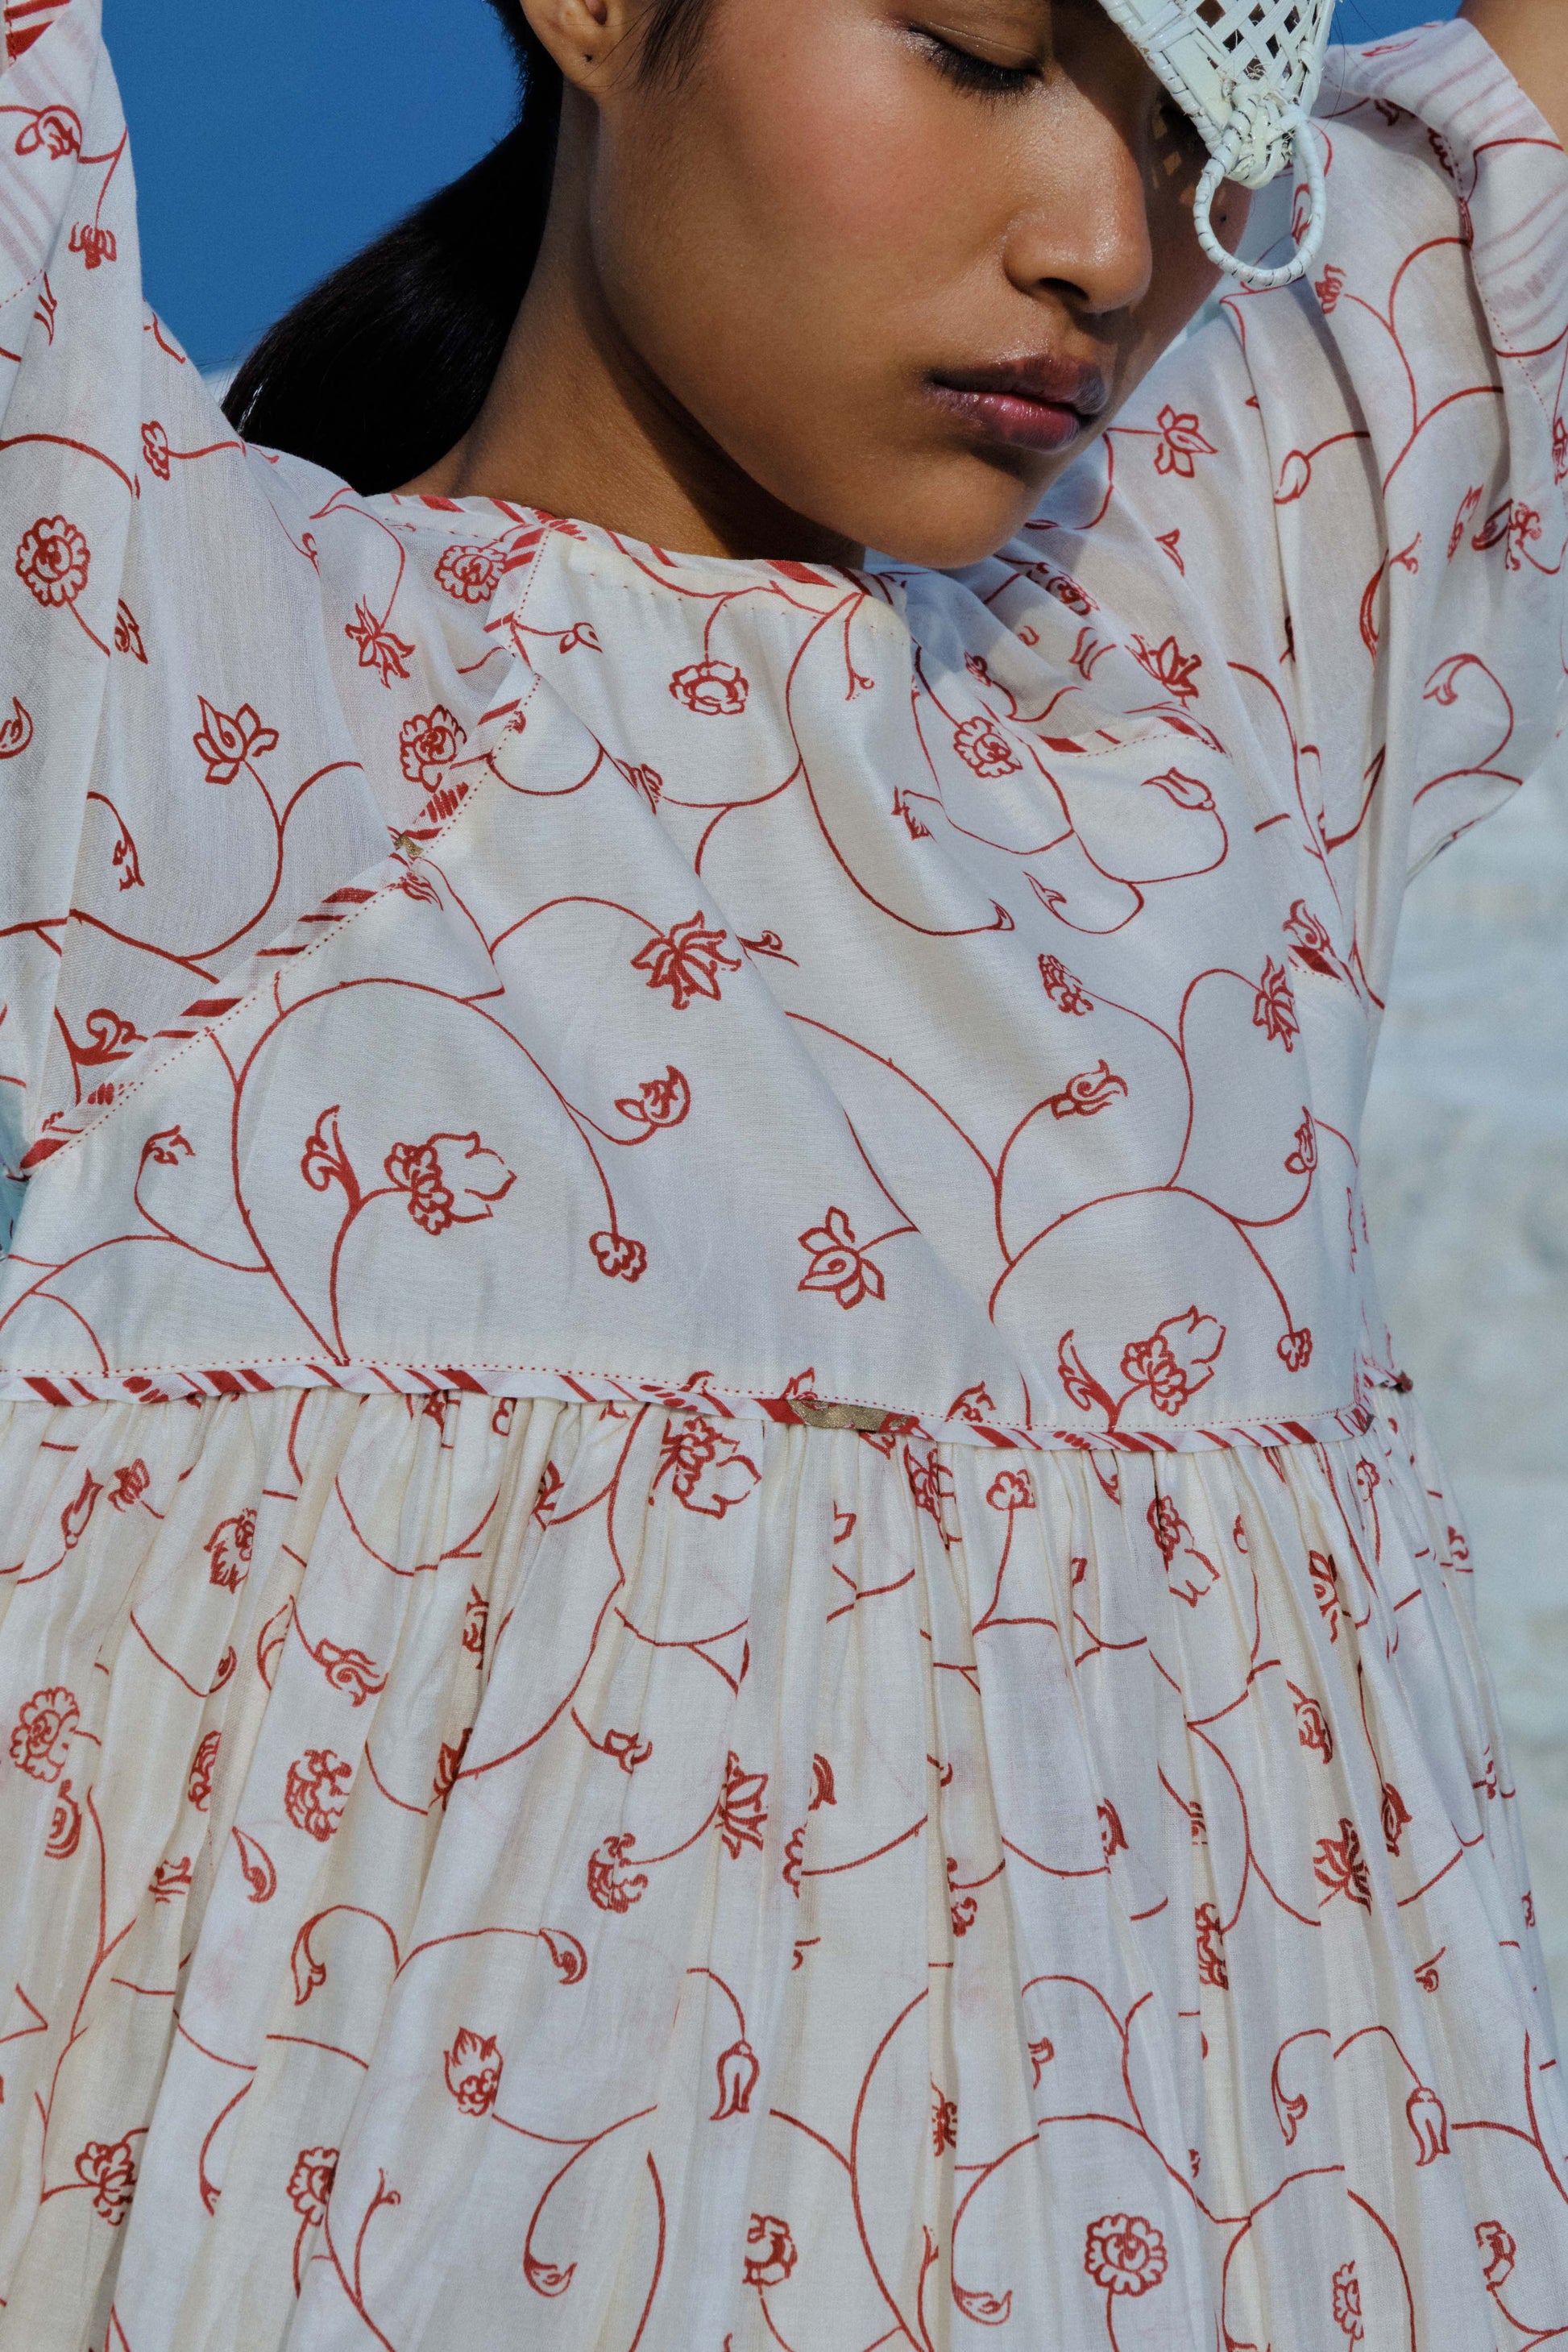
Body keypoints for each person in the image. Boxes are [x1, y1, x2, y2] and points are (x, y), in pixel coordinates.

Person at [0, 0, 1564, 2340]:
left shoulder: (1213, 676)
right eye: (978, 50)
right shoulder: (216, 692)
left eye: (1187, 126)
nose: (1104, 239)